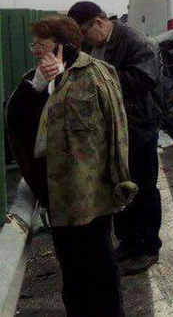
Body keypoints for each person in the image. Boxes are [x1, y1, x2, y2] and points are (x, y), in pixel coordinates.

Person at [7, 16, 136, 316]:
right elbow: (17, 126)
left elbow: (117, 129)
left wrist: (120, 180)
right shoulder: (35, 80)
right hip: (58, 194)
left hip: (94, 192)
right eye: (34, 45)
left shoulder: (97, 73)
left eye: (41, 45)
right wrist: (38, 86)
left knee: (100, 265)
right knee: (73, 270)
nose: (36, 51)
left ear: (62, 46)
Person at [67, 1, 163, 276]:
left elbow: (144, 79)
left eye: (85, 32)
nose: (85, 40)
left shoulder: (135, 41)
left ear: (98, 22)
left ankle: (149, 247)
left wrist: (99, 80)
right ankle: (129, 242)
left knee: (143, 186)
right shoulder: (92, 44)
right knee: (118, 185)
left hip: (138, 124)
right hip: (111, 126)